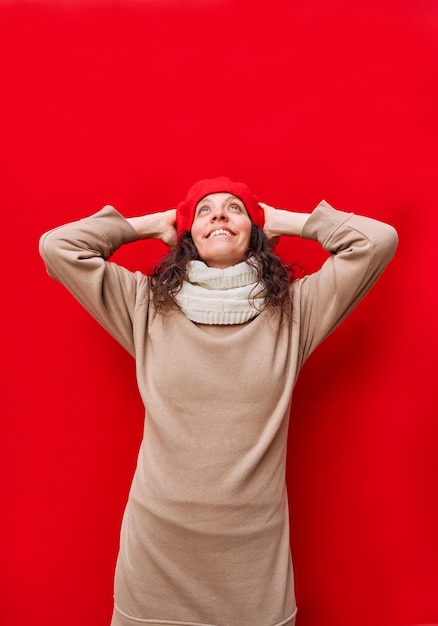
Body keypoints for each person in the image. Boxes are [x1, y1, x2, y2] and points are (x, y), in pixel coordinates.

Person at [39, 176, 398, 626]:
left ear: (255, 230)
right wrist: (152, 224)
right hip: (159, 545)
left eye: (235, 209)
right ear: (187, 232)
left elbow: (377, 241)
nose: (220, 216)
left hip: (252, 554)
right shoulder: (145, 305)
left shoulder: (295, 311)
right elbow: (58, 247)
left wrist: (285, 219)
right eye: (204, 211)